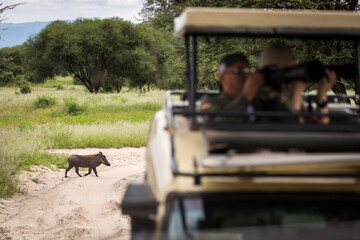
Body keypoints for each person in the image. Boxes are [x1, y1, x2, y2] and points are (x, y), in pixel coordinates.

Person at [259, 42, 337, 124]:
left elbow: (321, 124)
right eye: (289, 70)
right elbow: (289, 129)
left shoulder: (287, 91)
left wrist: (322, 93)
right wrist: (297, 90)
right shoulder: (260, 95)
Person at [198, 53, 264, 121]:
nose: (247, 76)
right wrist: (246, 96)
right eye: (239, 71)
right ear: (222, 78)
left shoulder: (257, 102)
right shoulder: (209, 102)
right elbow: (219, 123)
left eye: (248, 71)